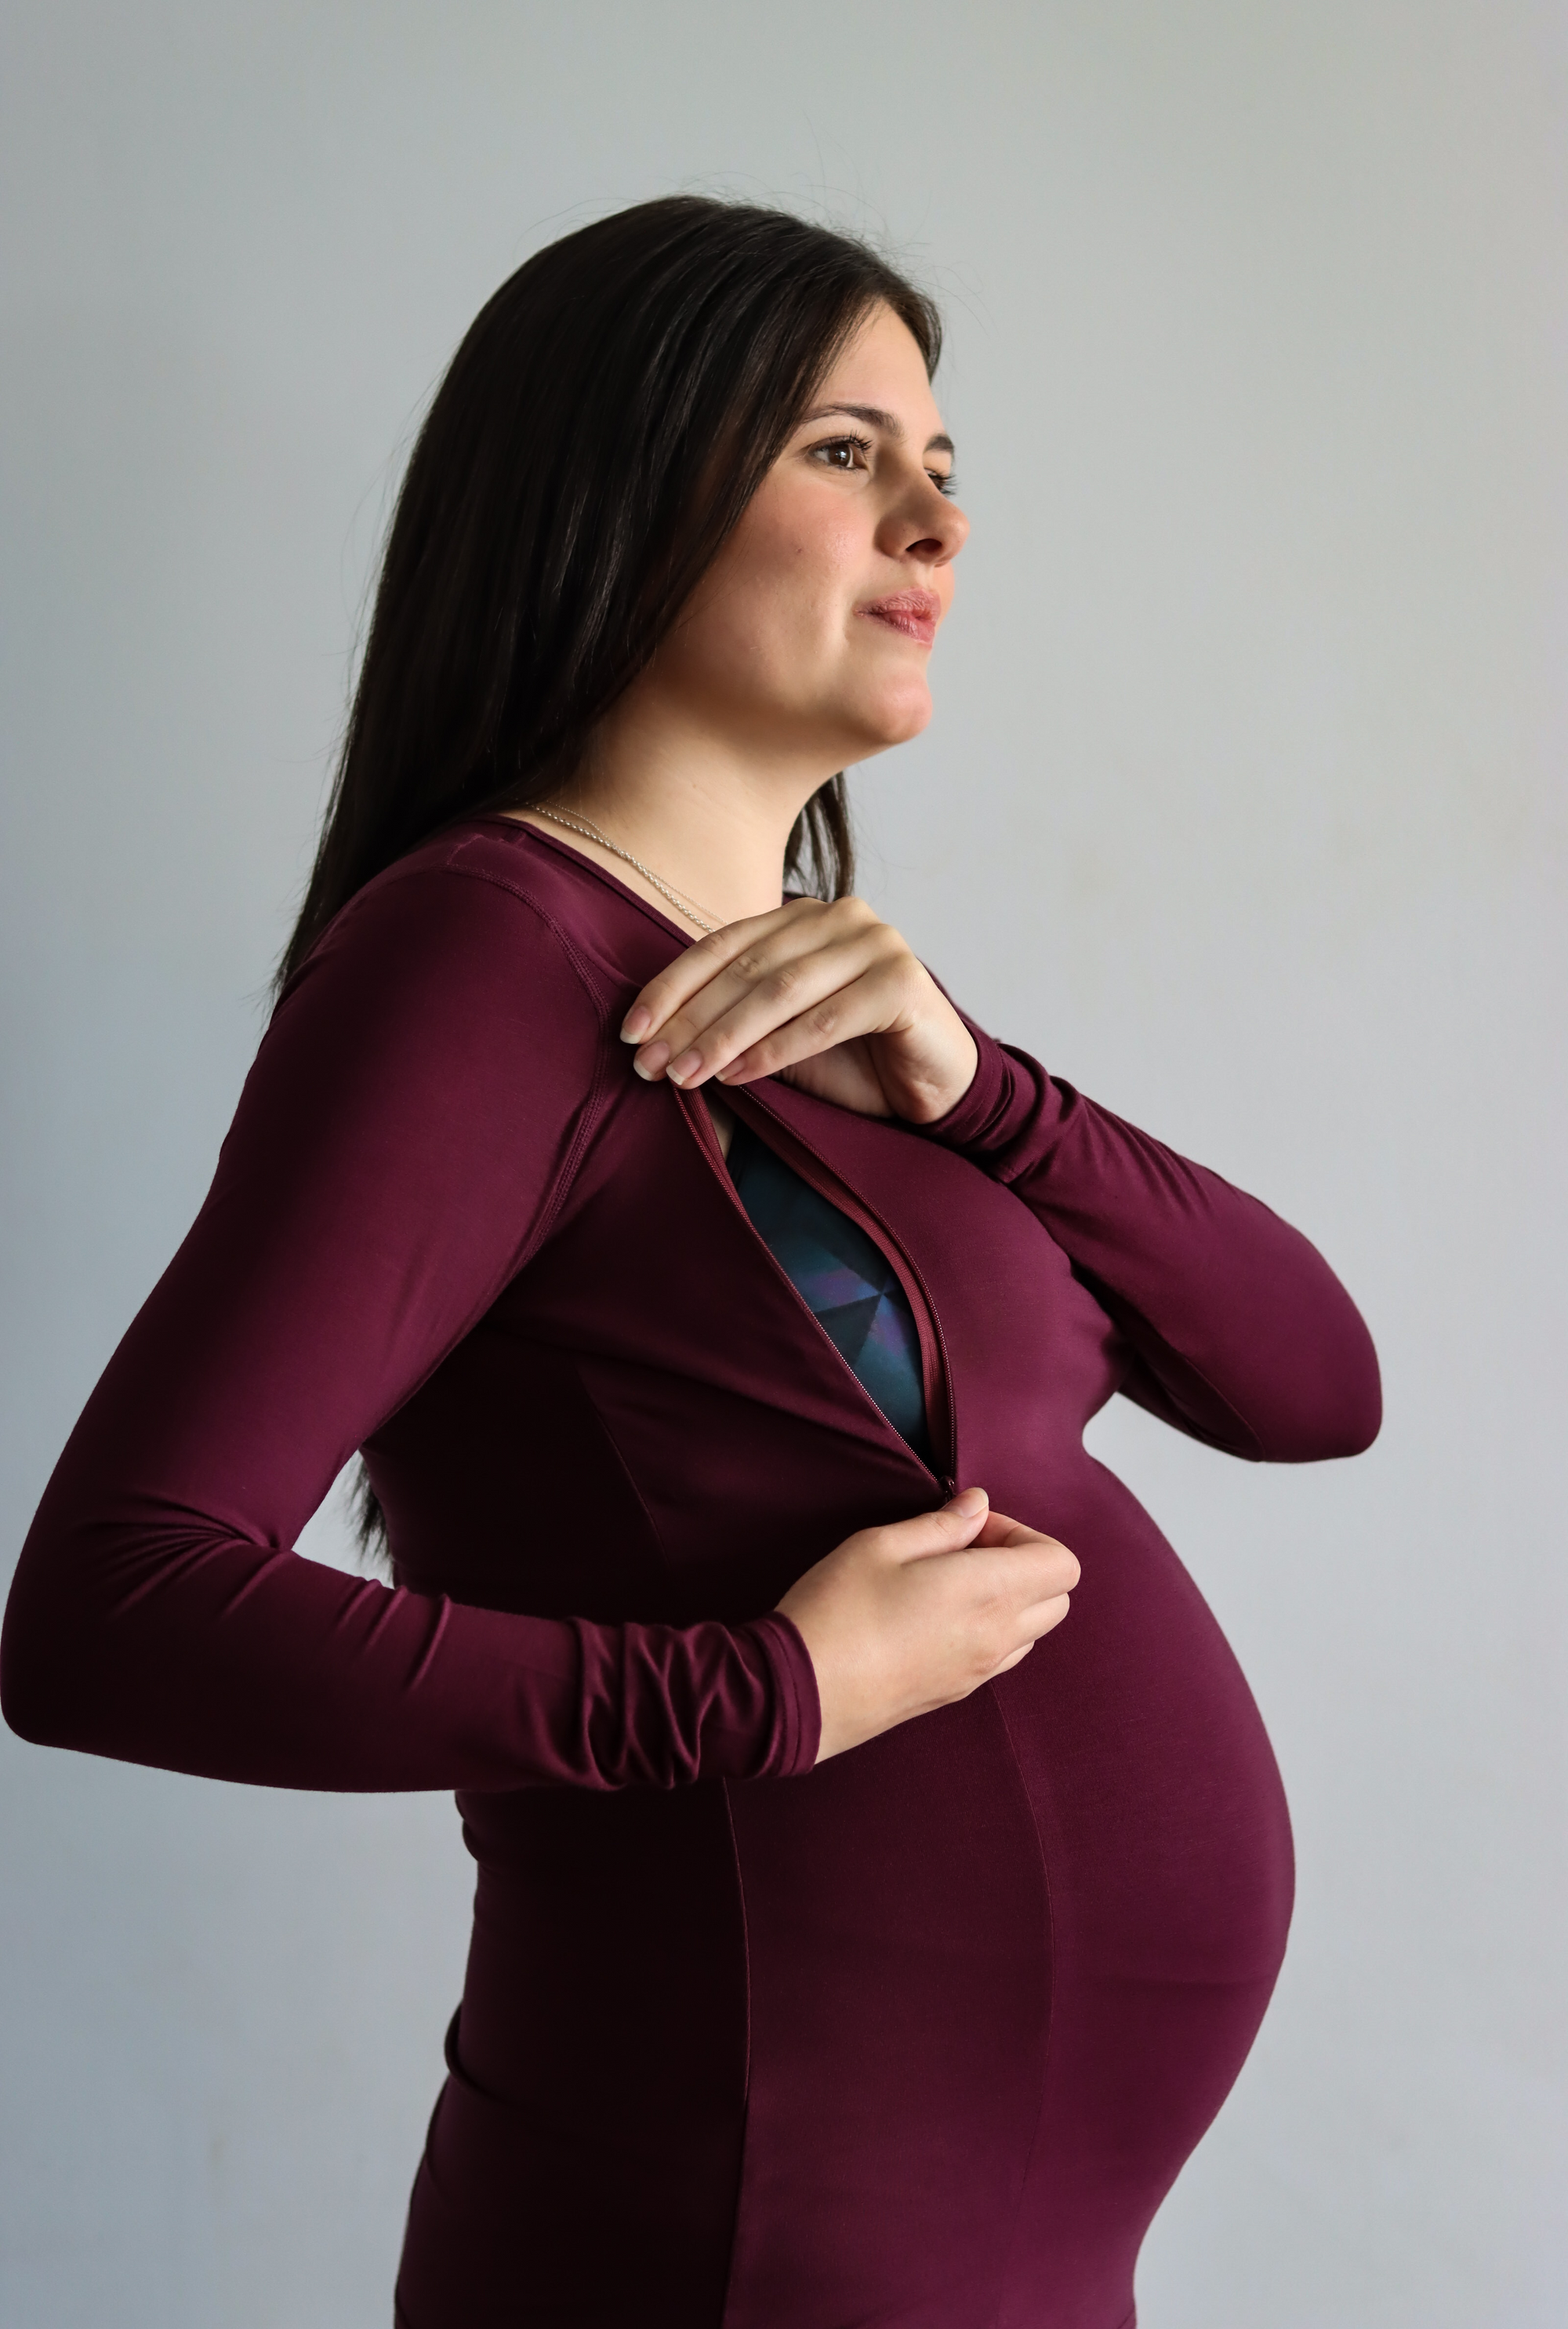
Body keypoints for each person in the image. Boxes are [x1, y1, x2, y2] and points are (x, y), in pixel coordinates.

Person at [1, 197, 1381, 2329]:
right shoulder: (484, 961)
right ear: (620, 494)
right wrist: (763, 1695)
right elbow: (112, 1608)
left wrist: (983, 1088)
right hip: (743, 2238)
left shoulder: (828, 1034)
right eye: (844, 450)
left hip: (1000, 2257)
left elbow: (1313, 1386)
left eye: (944, 461)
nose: (936, 518)